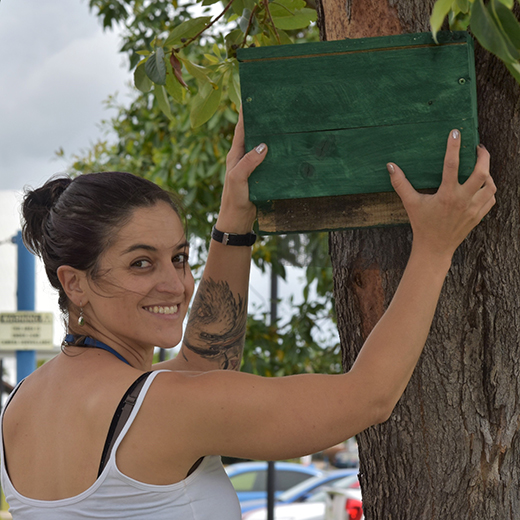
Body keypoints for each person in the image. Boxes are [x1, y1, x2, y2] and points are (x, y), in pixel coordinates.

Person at [0, 111, 495, 519]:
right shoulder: (161, 405)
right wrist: (433, 248)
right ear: (75, 283)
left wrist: (234, 222)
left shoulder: (20, 410)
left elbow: (204, 365)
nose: (175, 284)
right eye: (141, 263)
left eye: (179, 256)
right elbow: (367, 399)